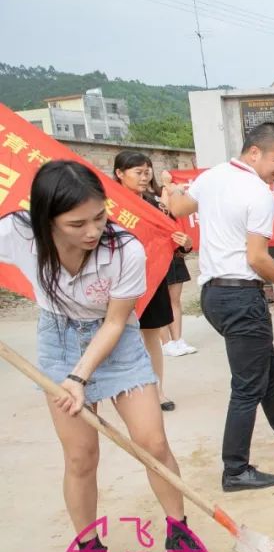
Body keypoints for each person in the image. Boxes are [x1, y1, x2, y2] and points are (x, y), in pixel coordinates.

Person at [0, 161, 210, 552]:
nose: (92, 230)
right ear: (46, 219)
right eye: (76, 223)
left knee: (152, 442)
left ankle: (179, 533)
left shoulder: (124, 249)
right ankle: (90, 548)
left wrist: (80, 376)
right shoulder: (17, 232)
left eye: (99, 216)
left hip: (116, 343)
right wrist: (70, 373)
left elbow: (115, 324)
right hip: (58, 339)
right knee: (81, 456)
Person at [166, 122, 274, 493]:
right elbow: (256, 258)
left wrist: (171, 189)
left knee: (268, 366)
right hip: (241, 296)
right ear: (255, 152)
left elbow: (178, 206)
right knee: (248, 385)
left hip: (214, 297)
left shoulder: (212, 175)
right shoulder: (259, 193)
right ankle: (235, 469)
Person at [113, 151, 178, 410]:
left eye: (147, 172)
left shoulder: (153, 204)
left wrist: (181, 243)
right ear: (119, 173)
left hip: (151, 277)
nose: (144, 177)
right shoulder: (107, 204)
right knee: (117, 333)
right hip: (118, 281)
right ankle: (122, 389)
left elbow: (170, 236)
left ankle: (157, 390)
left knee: (151, 335)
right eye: (138, 172)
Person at [157, 169, 198, 358]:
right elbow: (165, 210)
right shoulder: (155, 197)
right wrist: (168, 186)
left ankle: (178, 339)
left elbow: (177, 209)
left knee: (175, 300)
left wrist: (174, 189)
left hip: (175, 253)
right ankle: (165, 343)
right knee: (160, 301)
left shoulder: (177, 197)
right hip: (158, 255)